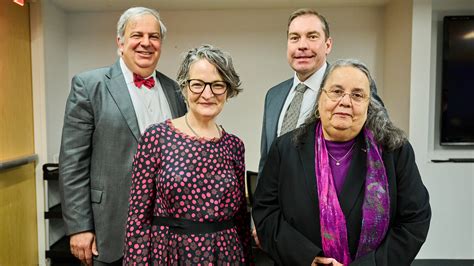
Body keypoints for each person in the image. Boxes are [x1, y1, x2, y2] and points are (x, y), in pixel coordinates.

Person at [253, 59, 431, 265]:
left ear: (368, 105)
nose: (346, 101)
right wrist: (309, 258)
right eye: (337, 91)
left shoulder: (394, 151)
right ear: (320, 99)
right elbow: (266, 212)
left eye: (357, 95)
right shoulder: (285, 148)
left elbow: (414, 221)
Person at [59, 7, 186, 265]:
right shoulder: (89, 86)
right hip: (110, 227)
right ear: (120, 42)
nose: (146, 43)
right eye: (137, 35)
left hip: (167, 230)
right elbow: (73, 163)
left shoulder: (175, 90)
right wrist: (79, 227)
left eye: (154, 36)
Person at [123, 44, 250, 265]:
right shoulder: (156, 137)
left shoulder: (234, 146)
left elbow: (240, 219)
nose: (207, 94)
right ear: (184, 88)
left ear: (228, 91)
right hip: (172, 253)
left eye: (217, 85)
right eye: (198, 84)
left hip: (226, 255)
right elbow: (137, 218)